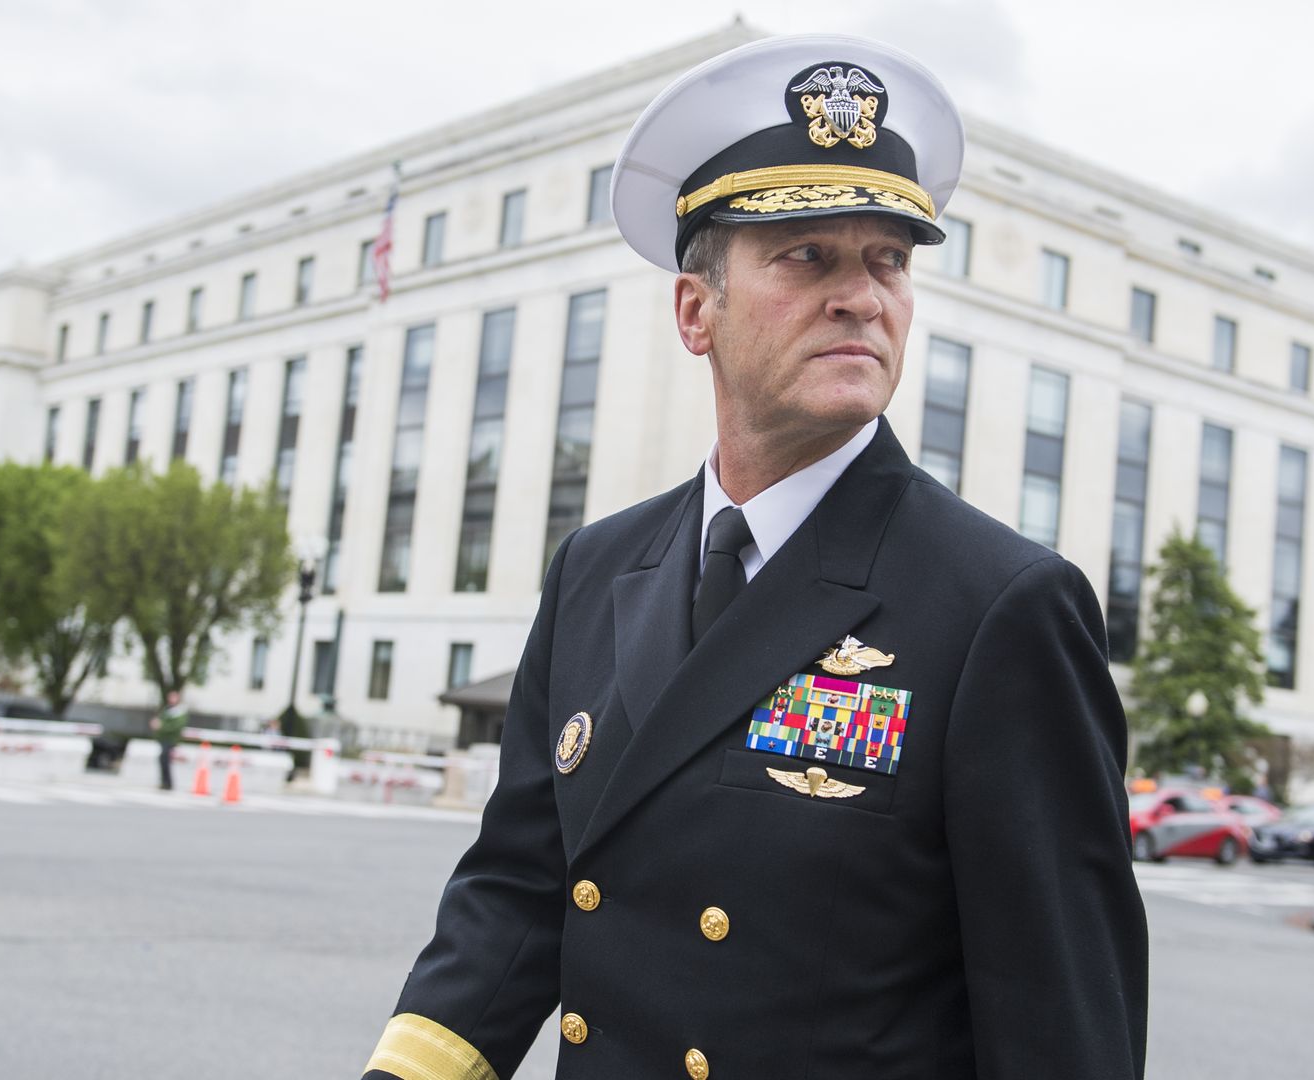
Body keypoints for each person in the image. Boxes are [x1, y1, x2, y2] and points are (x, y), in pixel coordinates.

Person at [362, 33, 1146, 1080]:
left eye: (889, 260)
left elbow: (1062, 1025)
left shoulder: (1002, 606)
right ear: (698, 311)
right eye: (807, 256)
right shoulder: (596, 569)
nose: (863, 295)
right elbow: (519, 891)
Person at [150, 690, 188, 791]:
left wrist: (161, 726)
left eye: (174, 697)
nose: (171, 699)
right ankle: (164, 782)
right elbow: (161, 720)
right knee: (163, 759)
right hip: (163, 738)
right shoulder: (167, 709)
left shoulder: (179, 711)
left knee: (165, 759)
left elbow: (176, 726)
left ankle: (168, 783)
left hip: (171, 739)